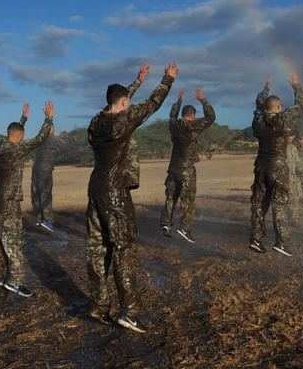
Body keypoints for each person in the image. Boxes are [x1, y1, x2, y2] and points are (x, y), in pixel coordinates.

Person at [86, 63, 179, 333]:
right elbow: (152, 104)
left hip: (96, 189)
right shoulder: (123, 121)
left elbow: (116, 104)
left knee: (97, 249)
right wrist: (167, 79)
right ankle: (129, 312)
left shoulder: (95, 122)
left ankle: (99, 305)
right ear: (124, 103)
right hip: (115, 192)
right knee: (123, 250)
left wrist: (136, 83)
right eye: (127, 102)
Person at [0, 102, 54, 298]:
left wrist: (23, 118)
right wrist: (48, 118)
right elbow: (40, 139)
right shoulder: (15, 149)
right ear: (20, 136)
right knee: (14, 240)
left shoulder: (1, 146)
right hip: (10, 199)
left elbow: (15, 133)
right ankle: (14, 282)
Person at [249, 74, 303, 256]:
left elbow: (259, 103)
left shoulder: (257, 121)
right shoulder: (283, 119)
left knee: (260, 203)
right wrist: (296, 86)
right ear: (279, 107)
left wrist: (265, 89)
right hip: (278, 166)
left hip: (261, 166)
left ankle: (256, 239)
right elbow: (301, 106)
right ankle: (281, 242)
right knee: (279, 203)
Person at [160, 88, 216, 243]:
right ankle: (185, 228)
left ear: (183, 113)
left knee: (171, 197)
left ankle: (166, 224)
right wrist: (203, 100)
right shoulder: (195, 125)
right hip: (186, 170)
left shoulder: (174, 124)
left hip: (173, 169)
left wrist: (178, 101)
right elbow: (211, 117)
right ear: (193, 115)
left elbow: (171, 115)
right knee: (188, 200)